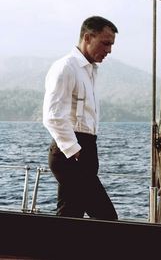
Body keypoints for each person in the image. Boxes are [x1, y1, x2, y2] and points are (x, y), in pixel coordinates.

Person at [43, 16, 118, 220]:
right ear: (87, 37)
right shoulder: (66, 67)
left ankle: (57, 252)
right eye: (105, 43)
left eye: (111, 44)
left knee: (70, 215)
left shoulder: (90, 71)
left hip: (85, 148)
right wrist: (75, 151)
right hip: (71, 152)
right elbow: (52, 115)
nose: (109, 50)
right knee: (107, 218)